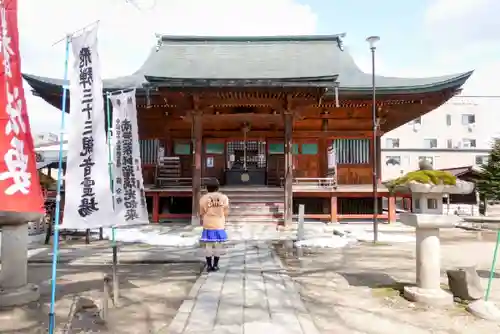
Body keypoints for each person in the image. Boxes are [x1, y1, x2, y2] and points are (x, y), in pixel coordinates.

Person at [199, 179, 229, 272]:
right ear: (218, 187)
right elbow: (226, 212)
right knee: (218, 245)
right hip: (219, 223)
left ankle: (209, 265)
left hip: (208, 223)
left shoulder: (203, 198)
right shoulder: (224, 198)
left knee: (208, 244)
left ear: (207, 188)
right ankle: (215, 265)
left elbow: (201, 212)